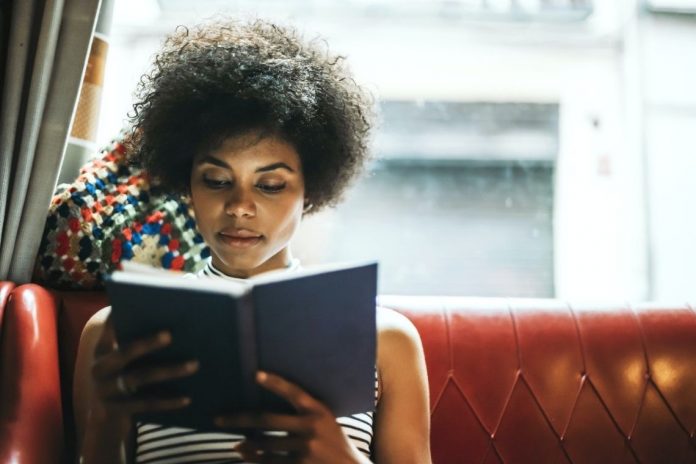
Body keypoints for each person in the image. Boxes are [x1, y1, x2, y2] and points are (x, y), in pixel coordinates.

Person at [73, 18, 431, 464]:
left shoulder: (387, 339)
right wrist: (104, 426)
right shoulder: (114, 333)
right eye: (218, 180)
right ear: (188, 184)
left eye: (271, 185)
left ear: (312, 191)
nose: (240, 206)